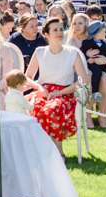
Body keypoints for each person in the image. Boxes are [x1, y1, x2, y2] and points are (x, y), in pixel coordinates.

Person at [26, 16, 90, 156]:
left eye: (61, 29)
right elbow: (28, 77)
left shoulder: (72, 53)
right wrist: (39, 88)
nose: (59, 32)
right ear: (47, 34)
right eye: (55, 30)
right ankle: (40, 150)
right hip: (44, 92)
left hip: (65, 93)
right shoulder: (40, 52)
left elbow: (83, 80)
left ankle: (57, 151)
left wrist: (60, 93)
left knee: (52, 109)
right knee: (35, 109)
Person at [83, 20, 106, 128]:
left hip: (100, 67)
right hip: (83, 69)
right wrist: (86, 56)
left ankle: (102, 115)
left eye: (81, 23)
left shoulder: (104, 41)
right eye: (75, 23)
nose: (77, 26)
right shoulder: (79, 41)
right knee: (90, 76)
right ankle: (87, 115)